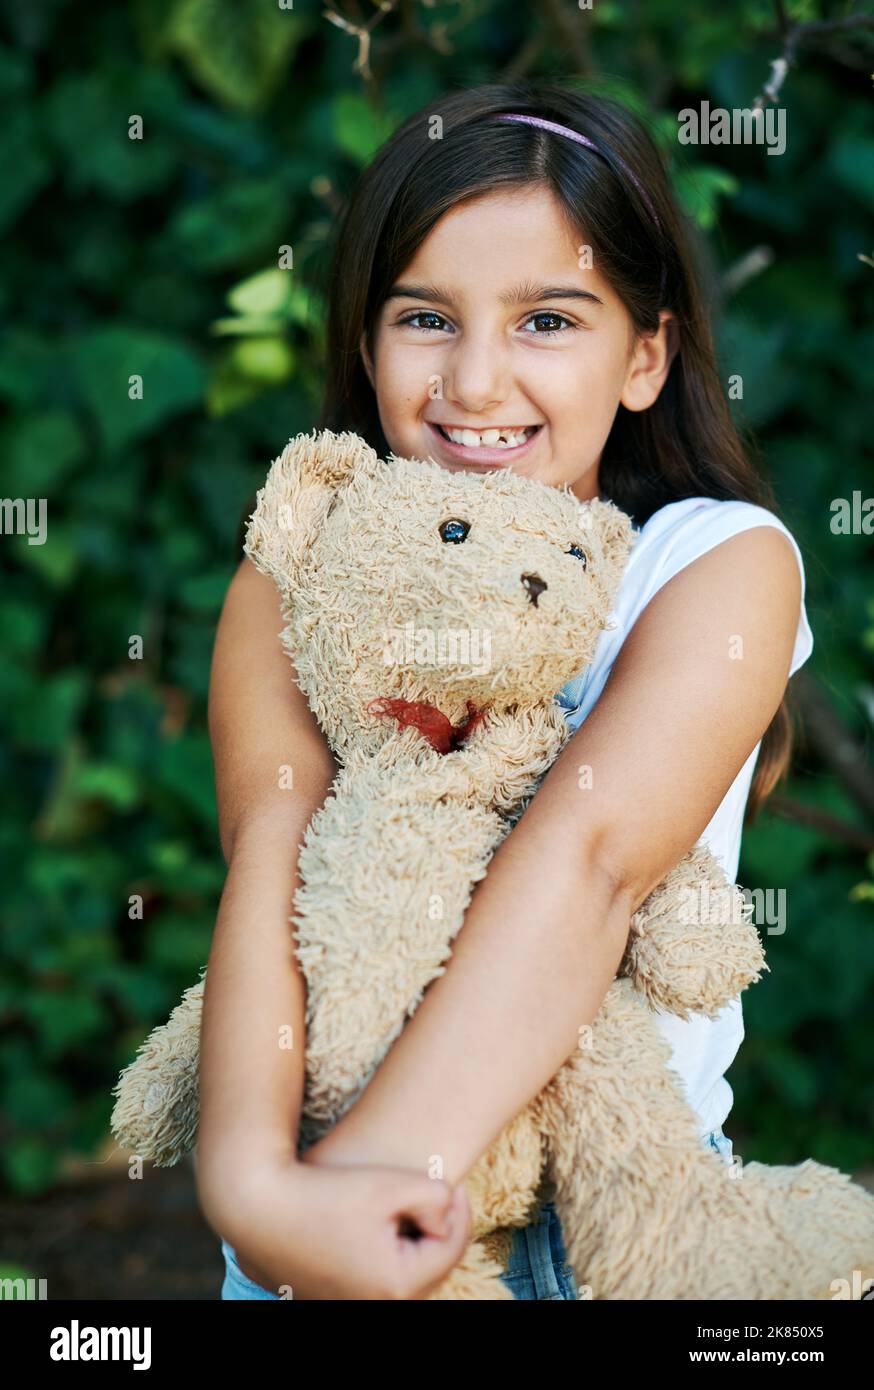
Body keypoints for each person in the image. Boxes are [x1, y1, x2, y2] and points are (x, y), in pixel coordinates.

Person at [194, 81, 813, 1301]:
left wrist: (381, 1176)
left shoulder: (713, 562)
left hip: (606, 1234)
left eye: (547, 321)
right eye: (425, 315)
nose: (475, 382)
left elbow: (589, 861)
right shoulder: (298, 575)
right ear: (366, 343)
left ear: (645, 355)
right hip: (313, 1210)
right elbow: (271, 852)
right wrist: (256, 1190)